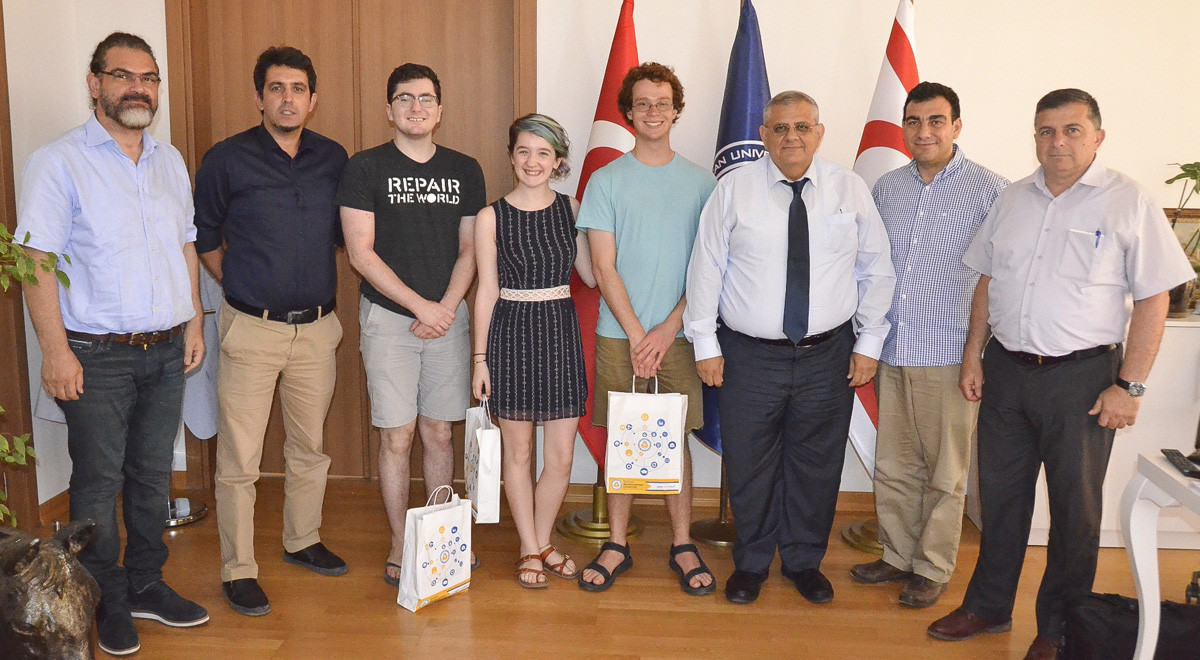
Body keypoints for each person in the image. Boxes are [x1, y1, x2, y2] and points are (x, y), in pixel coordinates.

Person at [927, 89, 1194, 660]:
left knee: (1075, 511)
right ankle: (989, 606)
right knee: (1000, 500)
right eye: (1046, 131)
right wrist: (974, 355)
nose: (1058, 142)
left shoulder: (1129, 202)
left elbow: (1154, 298)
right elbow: (987, 282)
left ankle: (1060, 627)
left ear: (1098, 136)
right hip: (1006, 372)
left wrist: (1130, 384)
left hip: (1083, 380)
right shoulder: (1013, 199)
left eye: (1072, 130)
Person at [17, 31, 208, 656]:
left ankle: (148, 584)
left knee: (153, 476)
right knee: (97, 482)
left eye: (149, 78)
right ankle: (103, 598)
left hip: (165, 346)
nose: (138, 88)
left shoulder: (170, 160)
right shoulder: (59, 161)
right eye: (124, 75)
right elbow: (35, 258)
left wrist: (195, 322)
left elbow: (185, 242)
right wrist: (55, 350)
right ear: (94, 83)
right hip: (95, 355)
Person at [685, 90, 895, 605]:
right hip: (748, 354)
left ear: (820, 133)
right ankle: (752, 564)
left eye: (802, 127)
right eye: (780, 128)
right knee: (750, 461)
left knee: (817, 463)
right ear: (763, 136)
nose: (791, 137)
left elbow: (876, 268)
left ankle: (804, 561)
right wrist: (705, 343)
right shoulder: (734, 189)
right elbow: (706, 266)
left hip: (829, 353)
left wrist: (869, 342)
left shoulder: (850, 189)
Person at [194, 46, 349, 617]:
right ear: (259, 96)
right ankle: (238, 569)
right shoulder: (226, 159)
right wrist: (240, 283)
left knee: (310, 448)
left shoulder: (334, 158)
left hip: (317, 329)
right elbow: (205, 237)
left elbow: (343, 236)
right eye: (277, 88)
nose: (288, 98)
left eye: (299, 88)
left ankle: (301, 540)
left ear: (313, 98)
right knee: (240, 458)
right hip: (250, 329)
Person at [850, 82, 1008, 608]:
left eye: (936, 121)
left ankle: (934, 566)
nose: (924, 132)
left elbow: (996, 279)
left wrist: (974, 355)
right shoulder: (886, 189)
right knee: (894, 465)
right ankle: (897, 555)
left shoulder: (991, 191)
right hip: (891, 350)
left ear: (956, 126)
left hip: (951, 356)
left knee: (947, 471)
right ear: (903, 128)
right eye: (914, 122)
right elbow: (869, 268)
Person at [338, 63, 485, 587]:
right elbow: (360, 252)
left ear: (440, 111)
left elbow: (471, 249)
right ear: (389, 110)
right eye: (405, 98)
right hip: (389, 320)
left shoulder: (465, 169)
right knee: (397, 436)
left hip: (449, 318)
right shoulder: (364, 167)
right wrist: (422, 307)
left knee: (439, 434)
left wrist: (444, 306)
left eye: (426, 98)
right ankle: (401, 542)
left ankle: (441, 537)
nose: (416, 107)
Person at [575, 62, 716, 597]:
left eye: (662, 103)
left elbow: (709, 269)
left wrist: (664, 331)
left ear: (676, 111)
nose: (653, 112)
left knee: (673, 438)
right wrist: (638, 335)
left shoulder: (704, 183)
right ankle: (616, 543)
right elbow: (603, 268)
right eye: (642, 104)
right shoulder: (606, 181)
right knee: (624, 438)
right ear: (628, 113)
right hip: (619, 335)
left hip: (680, 335)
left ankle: (682, 542)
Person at [471, 113, 595, 588]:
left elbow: (589, 275)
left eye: (543, 153)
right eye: (523, 151)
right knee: (518, 455)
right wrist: (479, 360)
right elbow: (485, 290)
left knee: (560, 457)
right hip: (511, 336)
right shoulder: (490, 216)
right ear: (511, 157)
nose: (532, 161)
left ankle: (542, 540)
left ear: (558, 160)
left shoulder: (572, 209)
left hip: (560, 335)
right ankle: (529, 547)